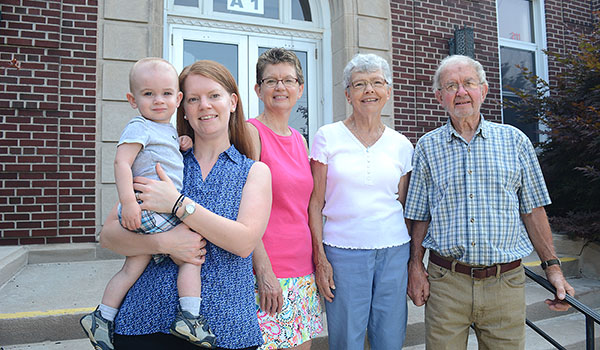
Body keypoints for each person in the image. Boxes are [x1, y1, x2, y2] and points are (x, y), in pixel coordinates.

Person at [404, 54, 576, 349]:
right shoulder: (426, 147)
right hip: (447, 283)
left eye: (469, 83)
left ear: (483, 90)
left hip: (504, 284)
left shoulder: (516, 141)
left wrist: (554, 269)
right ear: (439, 97)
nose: (461, 92)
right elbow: (420, 215)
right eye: (451, 86)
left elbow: (533, 210)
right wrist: (415, 268)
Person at [98, 59, 272, 350]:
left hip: (225, 326)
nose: (204, 105)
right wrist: (166, 243)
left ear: (232, 102)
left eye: (213, 96)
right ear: (184, 108)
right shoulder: (160, 160)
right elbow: (109, 237)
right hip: (147, 319)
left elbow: (243, 242)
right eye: (193, 99)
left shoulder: (253, 172)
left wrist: (178, 204)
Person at [80, 57, 215, 350]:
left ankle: (101, 317)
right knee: (191, 255)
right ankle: (189, 317)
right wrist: (128, 202)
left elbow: (157, 152)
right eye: (148, 94)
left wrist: (180, 142)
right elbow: (121, 162)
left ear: (178, 99)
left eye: (166, 93)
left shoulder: (162, 129)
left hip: (155, 207)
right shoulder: (138, 126)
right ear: (132, 99)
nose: (158, 101)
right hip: (150, 207)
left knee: (132, 268)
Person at [308, 53, 414, 350]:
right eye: (359, 84)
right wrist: (320, 259)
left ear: (388, 91)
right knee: (345, 341)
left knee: (390, 339)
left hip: (394, 253)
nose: (369, 90)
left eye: (377, 82)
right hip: (342, 253)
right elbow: (315, 204)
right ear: (348, 94)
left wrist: (412, 261)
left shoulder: (401, 144)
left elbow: (404, 206)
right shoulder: (327, 137)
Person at [246, 47, 322, 350]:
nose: (280, 87)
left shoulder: (299, 139)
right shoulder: (251, 133)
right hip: (268, 272)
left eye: (288, 80)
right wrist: (264, 270)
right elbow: (243, 209)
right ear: (258, 89)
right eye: (271, 81)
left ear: (300, 89)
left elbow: (303, 207)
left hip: (302, 271)